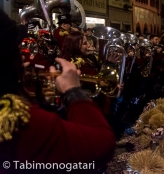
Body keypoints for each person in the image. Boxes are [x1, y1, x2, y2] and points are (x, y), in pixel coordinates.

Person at [0, 10, 115, 173]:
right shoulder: (16, 120)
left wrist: (37, 100)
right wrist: (73, 91)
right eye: (18, 48)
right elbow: (103, 144)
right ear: (9, 61)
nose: (22, 54)